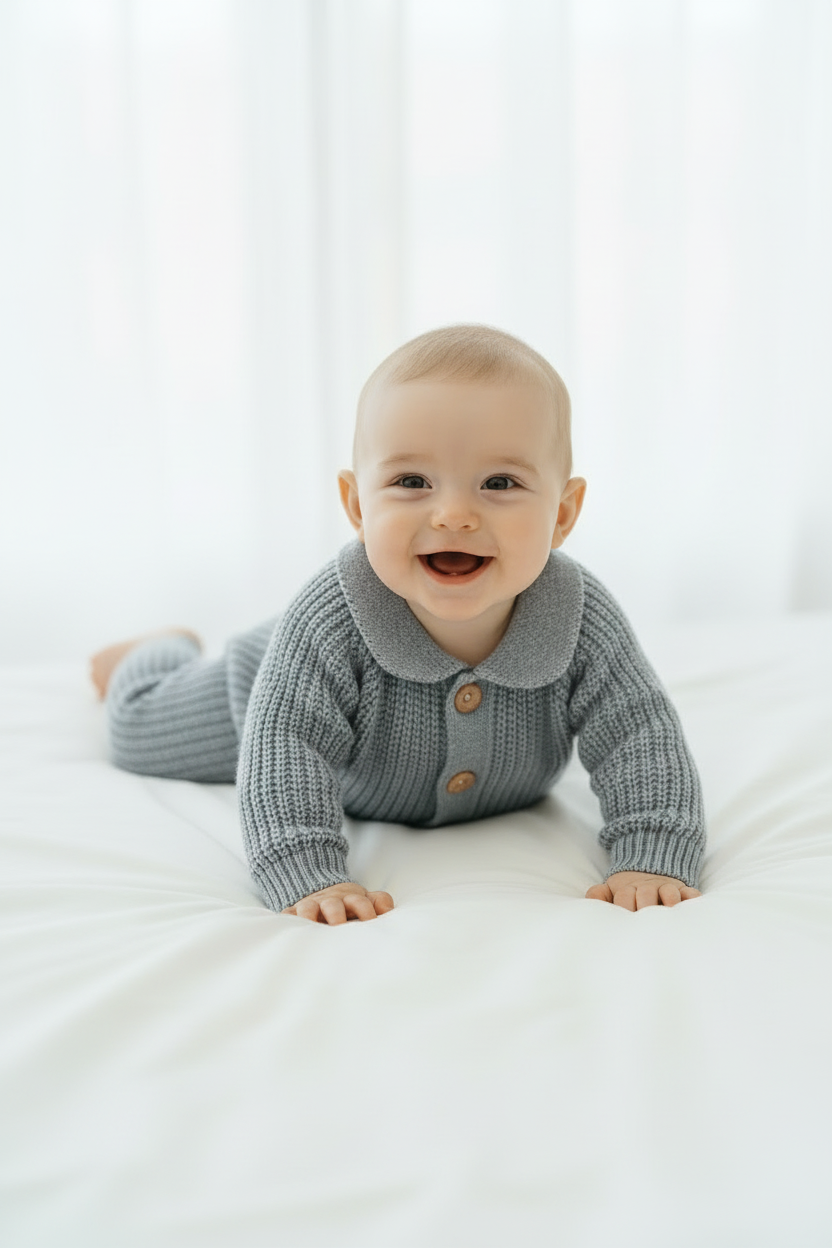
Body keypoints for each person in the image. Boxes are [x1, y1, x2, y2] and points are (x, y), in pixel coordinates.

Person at [91, 324, 704, 925]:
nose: (455, 514)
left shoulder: (580, 617)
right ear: (358, 506)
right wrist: (309, 872)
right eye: (412, 482)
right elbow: (286, 748)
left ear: (563, 513)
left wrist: (653, 854)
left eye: (500, 482)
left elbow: (639, 734)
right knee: (134, 727)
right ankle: (153, 651)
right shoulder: (328, 623)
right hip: (254, 691)